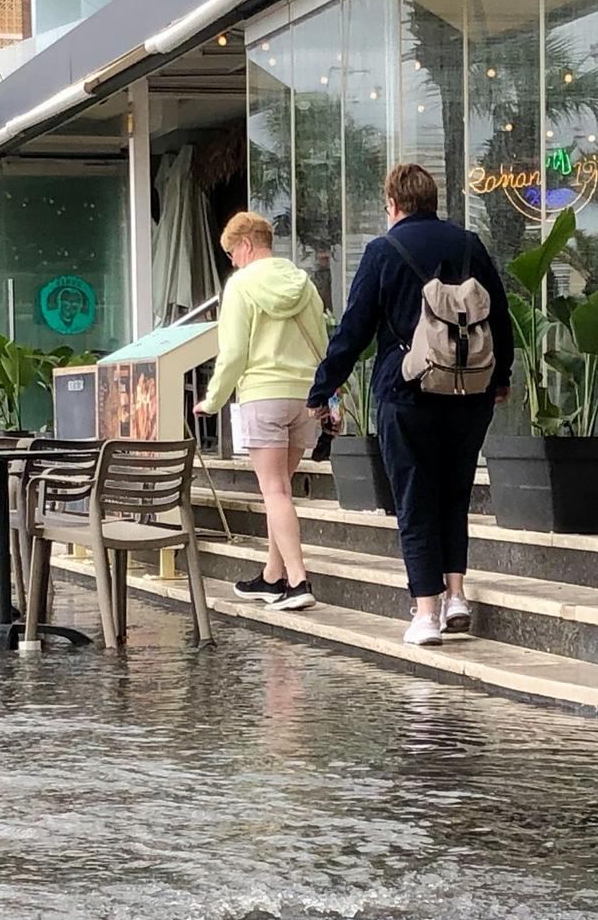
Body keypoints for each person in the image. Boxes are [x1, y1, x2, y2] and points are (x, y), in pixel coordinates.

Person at [307, 164, 513, 647]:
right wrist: (498, 378)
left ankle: (426, 612)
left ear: (392, 204)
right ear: (433, 200)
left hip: (407, 393)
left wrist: (323, 388)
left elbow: (355, 328)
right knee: (454, 492)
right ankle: (456, 594)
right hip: (469, 392)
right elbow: (499, 317)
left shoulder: (383, 251)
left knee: (415, 498)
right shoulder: (469, 245)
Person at [195, 210, 329, 612]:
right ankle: (272, 575)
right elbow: (322, 341)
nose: (232, 262)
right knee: (281, 493)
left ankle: (299, 580)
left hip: (263, 394)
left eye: (232, 253)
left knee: (274, 492)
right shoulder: (304, 284)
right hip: (303, 396)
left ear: (247, 245)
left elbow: (234, 352)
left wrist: (213, 399)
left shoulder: (241, 286)